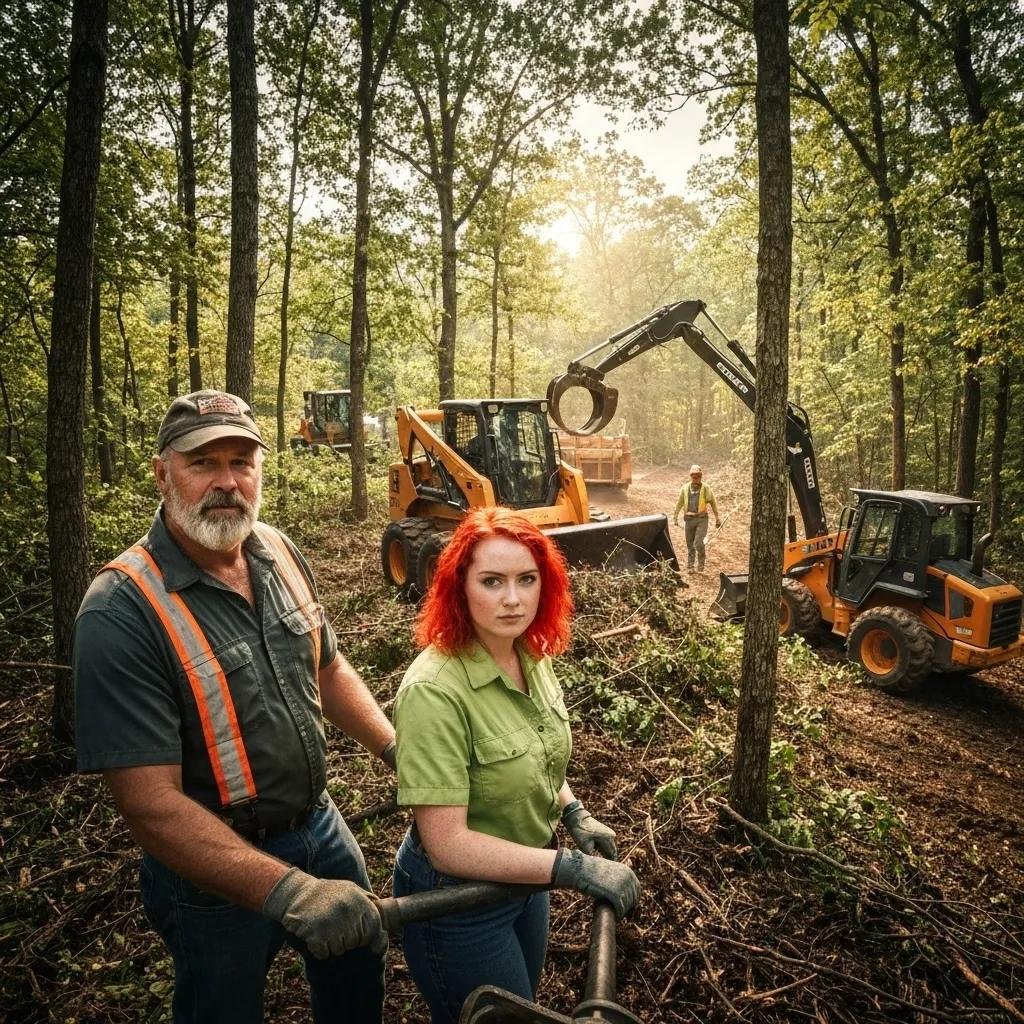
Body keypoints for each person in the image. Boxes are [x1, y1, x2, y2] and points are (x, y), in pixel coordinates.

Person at [73, 390, 396, 1024]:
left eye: (242, 462)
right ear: (163, 473)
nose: (227, 482)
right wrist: (289, 891)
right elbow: (150, 806)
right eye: (203, 463)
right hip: (210, 877)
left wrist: (397, 750)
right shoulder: (120, 610)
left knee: (358, 971)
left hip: (320, 828)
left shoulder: (273, 548)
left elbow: (327, 667)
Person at [391, 507, 641, 1024]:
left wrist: (572, 813)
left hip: (527, 879)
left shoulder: (529, 651)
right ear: (459, 586)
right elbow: (449, 844)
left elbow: (535, 747)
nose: (512, 598)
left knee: (522, 1001)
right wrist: (572, 869)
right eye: (492, 581)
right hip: (456, 903)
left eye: (527, 579)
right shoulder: (434, 691)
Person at [673, 463, 721, 572]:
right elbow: (679, 503)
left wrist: (717, 518)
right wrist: (675, 516)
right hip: (689, 519)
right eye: (693, 476)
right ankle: (690, 566)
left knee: (698, 542)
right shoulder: (685, 488)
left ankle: (701, 564)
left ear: (701, 476)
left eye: (698, 476)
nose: (696, 478)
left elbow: (713, 503)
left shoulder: (706, 488)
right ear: (691, 476)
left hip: (702, 519)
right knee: (690, 544)